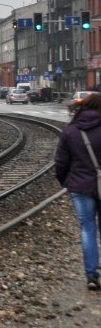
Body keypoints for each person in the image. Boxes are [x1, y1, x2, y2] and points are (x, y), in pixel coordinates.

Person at [54, 93, 101, 291]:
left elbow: (61, 162)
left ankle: (91, 275)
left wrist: (65, 181)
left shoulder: (71, 130)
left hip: (80, 186)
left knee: (87, 228)